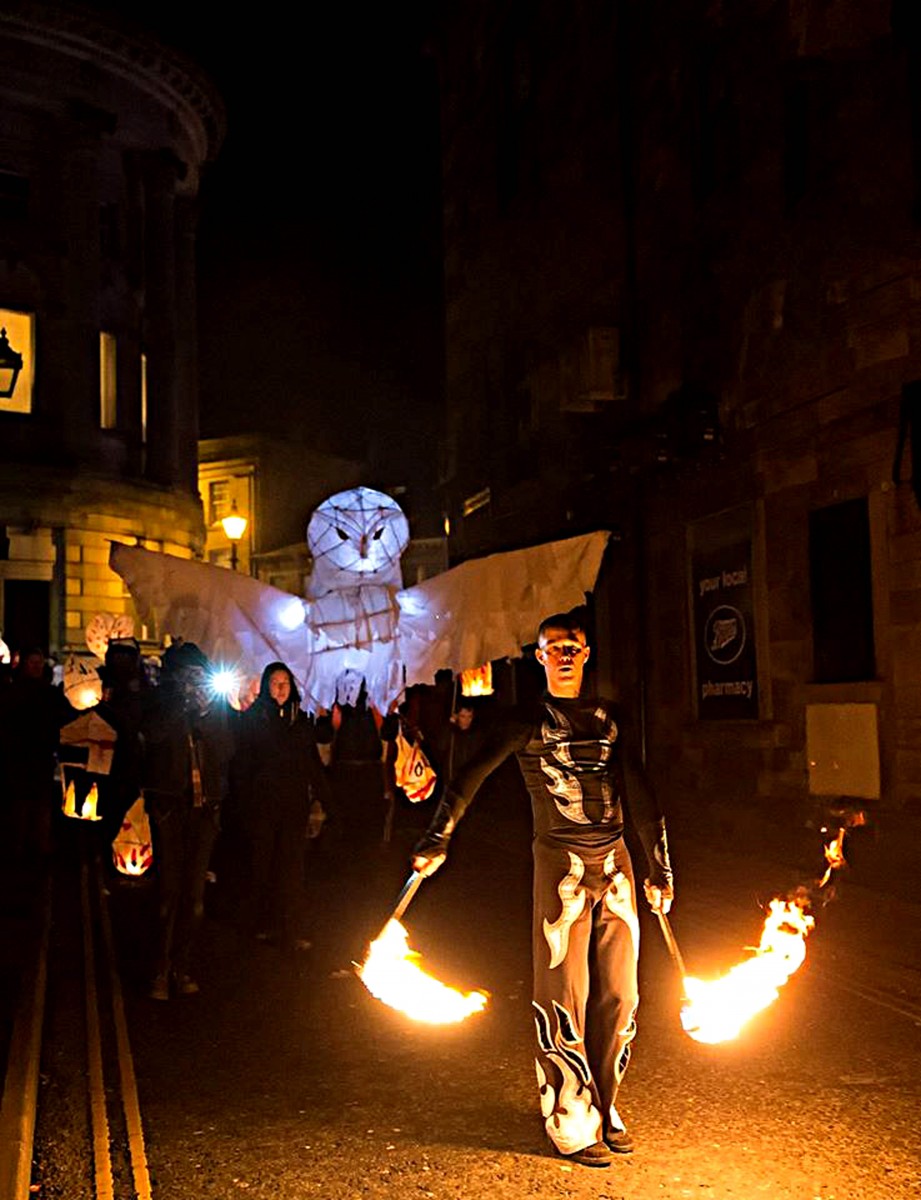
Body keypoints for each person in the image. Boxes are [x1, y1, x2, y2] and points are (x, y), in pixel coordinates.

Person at [412, 610, 674, 1169]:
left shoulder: (610, 717)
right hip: (562, 871)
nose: (563, 654)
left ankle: (604, 1102)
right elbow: (469, 777)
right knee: (564, 995)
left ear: (585, 653)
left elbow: (641, 788)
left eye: (572, 646)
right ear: (538, 657)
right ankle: (568, 1113)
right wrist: (438, 839)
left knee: (622, 996)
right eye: (551, 647)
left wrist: (659, 866)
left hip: (619, 867)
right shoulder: (524, 720)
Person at [140, 641, 235, 1000]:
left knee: (194, 898)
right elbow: (154, 737)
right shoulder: (161, 702)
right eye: (188, 675)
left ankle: (182, 966)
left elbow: (227, 750)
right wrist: (182, 706)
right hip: (169, 807)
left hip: (204, 810)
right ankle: (160, 969)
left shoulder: (214, 706)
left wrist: (207, 713)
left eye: (200, 674)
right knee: (168, 894)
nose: (195, 681)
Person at [234, 661, 330, 950]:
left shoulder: (300, 721)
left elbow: (311, 762)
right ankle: (262, 923)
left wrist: (324, 800)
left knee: (292, 867)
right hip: (263, 805)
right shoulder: (253, 720)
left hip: (293, 806)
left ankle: (291, 928)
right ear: (265, 686)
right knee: (263, 865)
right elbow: (244, 764)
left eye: (285, 682)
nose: (280, 688)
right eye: (275, 682)